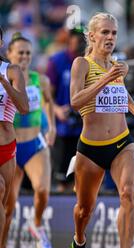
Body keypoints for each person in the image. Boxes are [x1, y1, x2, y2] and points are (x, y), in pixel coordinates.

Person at [67, 12, 134, 248]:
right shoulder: (82, 64)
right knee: (84, 210)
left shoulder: (117, 65)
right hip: (91, 148)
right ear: (91, 36)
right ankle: (79, 241)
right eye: (105, 32)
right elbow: (75, 101)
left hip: (122, 142)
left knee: (128, 193)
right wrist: (106, 78)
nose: (110, 38)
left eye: (114, 33)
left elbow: (121, 94)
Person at [2, 33, 56, 248]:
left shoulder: (39, 79)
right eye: (20, 53)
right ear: (10, 54)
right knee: (9, 204)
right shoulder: (8, 72)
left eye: (27, 53)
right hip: (12, 141)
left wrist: (51, 126)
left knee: (43, 189)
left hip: (34, 142)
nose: (24, 57)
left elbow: (49, 103)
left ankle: (37, 224)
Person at [0, 27, 29, 248]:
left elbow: (23, 107)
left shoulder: (11, 71)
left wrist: (2, 82)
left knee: (5, 202)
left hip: (7, 144)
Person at [46, 26, 85, 192]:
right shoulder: (56, 61)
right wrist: (56, 110)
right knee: (63, 179)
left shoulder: (90, 61)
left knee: (84, 178)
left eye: (83, 38)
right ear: (69, 39)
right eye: (76, 37)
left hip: (85, 128)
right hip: (63, 129)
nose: (80, 41)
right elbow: (47, 95)